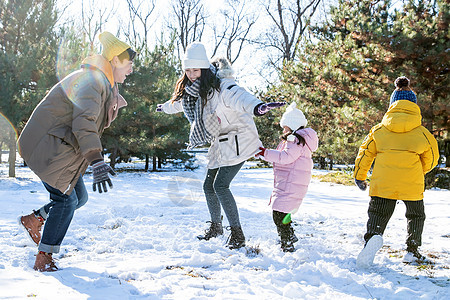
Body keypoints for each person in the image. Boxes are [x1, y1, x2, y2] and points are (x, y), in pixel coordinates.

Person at [18, 31, 136, 271]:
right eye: (129, 63)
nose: (132, 69)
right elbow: (84, 123)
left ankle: (34, 220)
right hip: (47, 146)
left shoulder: (102, 83)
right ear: (114, 61)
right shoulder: (92, 81)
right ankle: (44, 257)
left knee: (78, 198)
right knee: (66, 200)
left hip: (58, 147)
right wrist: (96, 159)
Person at [157, 42, 285, 249]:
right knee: (209, 186)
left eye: (195, 69)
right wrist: (164, 107)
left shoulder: (223, 86)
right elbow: (180, 103)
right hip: (221, 142)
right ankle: (216, 227)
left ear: (205, 68)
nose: (191, 74)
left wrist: (258, 107)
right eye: (187, 70)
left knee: (220, 186)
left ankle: (237, 235)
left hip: (240, 140)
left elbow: (241, 97)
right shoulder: (198, 91)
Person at [354, 77, 439, 268]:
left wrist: (360, 176)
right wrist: (418, 170)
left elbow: (364, 154)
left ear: (392, 104)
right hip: (412, 184)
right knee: (416, 216)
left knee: (378, 213)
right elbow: (432, 158)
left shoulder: (379, 130)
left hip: (383, 183)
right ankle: (412, 250)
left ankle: (373, 239)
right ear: (414, 105)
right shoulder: (423, 133)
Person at [256, 102, 318, 252]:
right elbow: (282, 156)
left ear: (292, 125)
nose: (283, 129)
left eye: (285, 126)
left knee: (278, 214)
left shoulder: (294, 140)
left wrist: (264, 152)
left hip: (291, 183)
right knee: (282, 213)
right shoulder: (298, 140)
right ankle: (289, 235)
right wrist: (265, 154)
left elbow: (285, 157)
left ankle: (287, 242)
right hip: (291, 182)